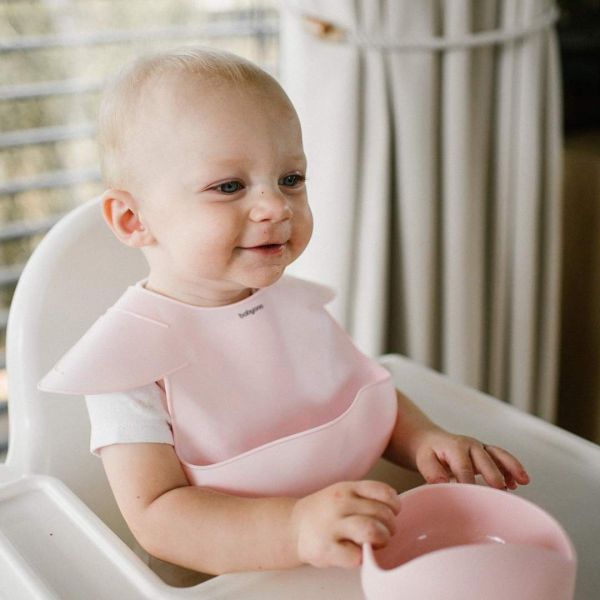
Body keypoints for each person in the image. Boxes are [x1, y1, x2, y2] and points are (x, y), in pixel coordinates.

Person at [38, 46, 529, 577]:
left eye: (290, 179)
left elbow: (360, 393)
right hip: (225, 580)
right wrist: (295, 528)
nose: (276, 206)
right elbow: (158, 517)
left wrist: (425, 440)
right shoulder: (124, 362)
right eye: (229, 186)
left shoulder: (294, 304)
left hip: (346, 556)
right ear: (133, 220)